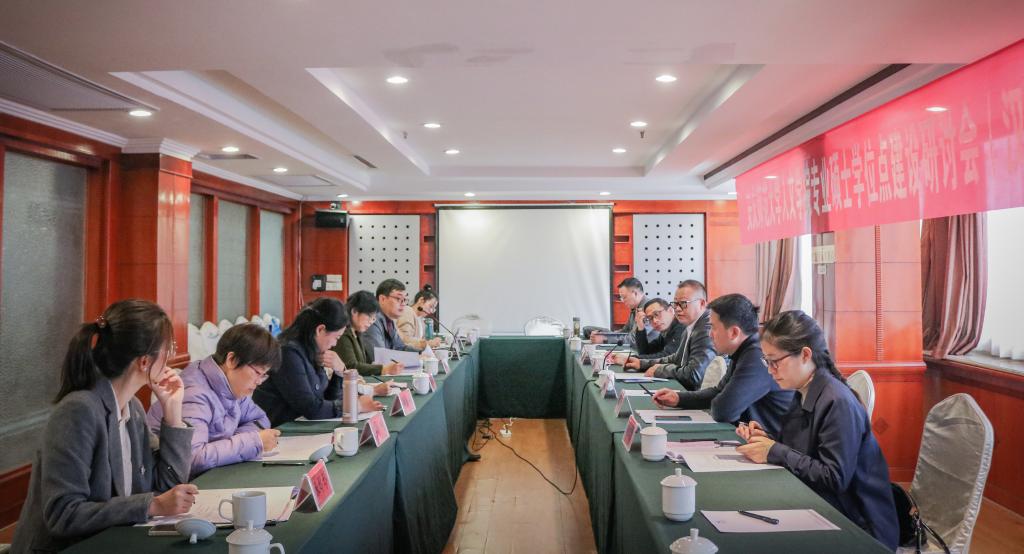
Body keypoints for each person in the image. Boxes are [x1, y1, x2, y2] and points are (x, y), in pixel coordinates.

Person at [12, 300, 196, 553]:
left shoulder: (132, 408)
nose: (171, 357)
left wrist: (173, 413)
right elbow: (63, 514)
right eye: (169, 348)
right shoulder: (78, 410)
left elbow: (168, 485)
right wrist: (151, 505)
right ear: (144, 362)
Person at [735, 310, 898, 550]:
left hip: (859, 527)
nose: (770, 370)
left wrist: (775, 451)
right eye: (765, 361)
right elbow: (804, 450)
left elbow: (834, 478)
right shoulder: (803, 388)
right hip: (822, 506)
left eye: (774, 361)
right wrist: (766, 440)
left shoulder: (837, 401)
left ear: (805, 354)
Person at [146, 324, 282, 478]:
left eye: (264, 375)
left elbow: (260, 419)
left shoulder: (232, 385)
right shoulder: (195, 393)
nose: (259, 382)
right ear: (231, 360)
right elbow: (192, 458)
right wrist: (252, 442)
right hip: (172, 483)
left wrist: (233, 442)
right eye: (258, 372)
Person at [651, 293, 793, 437]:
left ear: (734, 333)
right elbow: (718, 392)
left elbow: (724, 410)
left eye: (713, 327)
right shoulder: (744, 349)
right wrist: (679, 398)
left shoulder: (757, 356)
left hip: (772, 444)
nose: (710, 334)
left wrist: (719, 399)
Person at [253, 298, 383, 426]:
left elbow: (326, 399)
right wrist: (355, 406)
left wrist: (339, 372)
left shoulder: (312, 348)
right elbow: (311, 408)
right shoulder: (288, 353)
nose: (335, 344)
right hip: (280, 431)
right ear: (320, 330)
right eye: (336, 337)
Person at [624, 280, 716, 390]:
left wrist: (661, 370)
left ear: (701, 304)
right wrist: (642, 363)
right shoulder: (690, 326)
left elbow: (693, 375)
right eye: (676, 304)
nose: (678, 308)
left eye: (683, 303)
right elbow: (676, 358)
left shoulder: (706, 330)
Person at [334, 291, 405, 377]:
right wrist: (384, 369)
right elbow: (351, 366)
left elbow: (362, 362)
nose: (371, 322)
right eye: (369, 316)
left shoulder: (356, 332)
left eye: (374, 318)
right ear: (355, 311)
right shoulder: (342, 333)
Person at [592, 277, 658, 345]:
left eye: (624, 297)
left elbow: (635, 339)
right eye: (621, 298)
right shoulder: (635, 308)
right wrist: (604, 335)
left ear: (635, 293)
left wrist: (606, 339)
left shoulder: (648, 309)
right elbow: (625, 331)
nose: (623, 301)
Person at [364, 279, 422, 353]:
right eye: (398, 299)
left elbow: (399, 347)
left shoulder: (389, 321)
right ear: (382, 299)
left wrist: (421, 353)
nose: (403, 304)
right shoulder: (372, 320)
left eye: (404, 300)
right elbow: (379, 355)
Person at [396, 285, 443, 350]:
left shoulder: (421, 320)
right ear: (421, 300)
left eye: (434, 308)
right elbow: (404, 340)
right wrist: (428, 344)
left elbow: (419, 342)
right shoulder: (407, 311)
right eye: (431, 306)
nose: (431, 311)